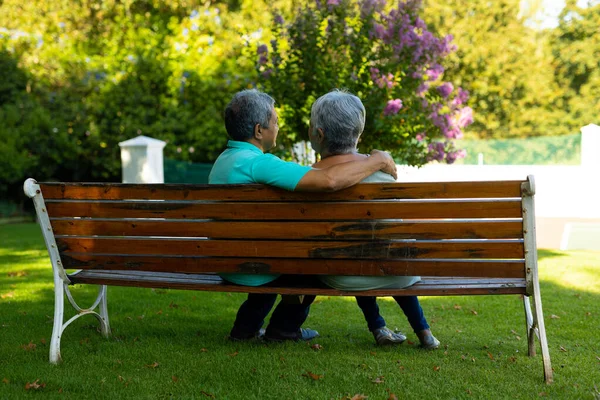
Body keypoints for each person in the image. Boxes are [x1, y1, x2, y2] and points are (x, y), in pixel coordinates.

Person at [208, 89, 399, 343]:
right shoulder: (259, 164)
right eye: (275, 121)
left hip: (226, 261)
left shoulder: (225, 160)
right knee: (309, 264)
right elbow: (329, 181)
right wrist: (378, 160)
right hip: (252, 267)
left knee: (284, 257)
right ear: (258, 131)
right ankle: (284, 329)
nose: (277, 126)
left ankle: (245, 329)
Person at [308, 89, 440, 349]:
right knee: (374, 254)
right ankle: (424, 332)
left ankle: (378, 327)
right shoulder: (383, 173)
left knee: (354, 256)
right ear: (358, 135)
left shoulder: (309, 178)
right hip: (398, 272)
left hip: (342, 275)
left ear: (319, 135)